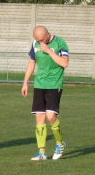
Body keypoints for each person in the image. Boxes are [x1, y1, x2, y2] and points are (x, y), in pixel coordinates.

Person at [21, 26, 69, 160]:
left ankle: (60, 143)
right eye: (37, 40)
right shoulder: (35, 44)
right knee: (39, 118)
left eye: (42, 40)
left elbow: (65, 63)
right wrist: (25, 82)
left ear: (48, 34)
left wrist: (49, 51)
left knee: (51, 116)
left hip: (54, 85)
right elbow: (32, 62)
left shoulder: (60, 43)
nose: (40, 43)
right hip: (39, 85)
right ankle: (42, 152)